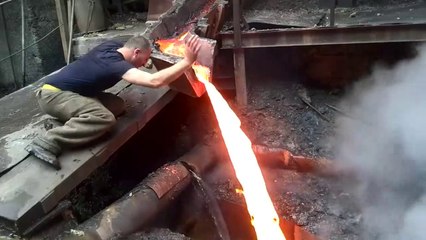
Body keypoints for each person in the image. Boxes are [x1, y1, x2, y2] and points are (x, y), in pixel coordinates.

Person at [25, 34, 202, 170]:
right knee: (105, 118)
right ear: (136, 52)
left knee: (118, 106)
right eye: (144, 59)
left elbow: (135, 53)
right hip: (53, 95)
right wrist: (188, 60)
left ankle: (71, 121)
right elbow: (154, 81)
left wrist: (148, 57)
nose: (145, 63)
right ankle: (50, 141)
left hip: (76, 92)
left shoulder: (114, 47)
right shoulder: (116, 65)